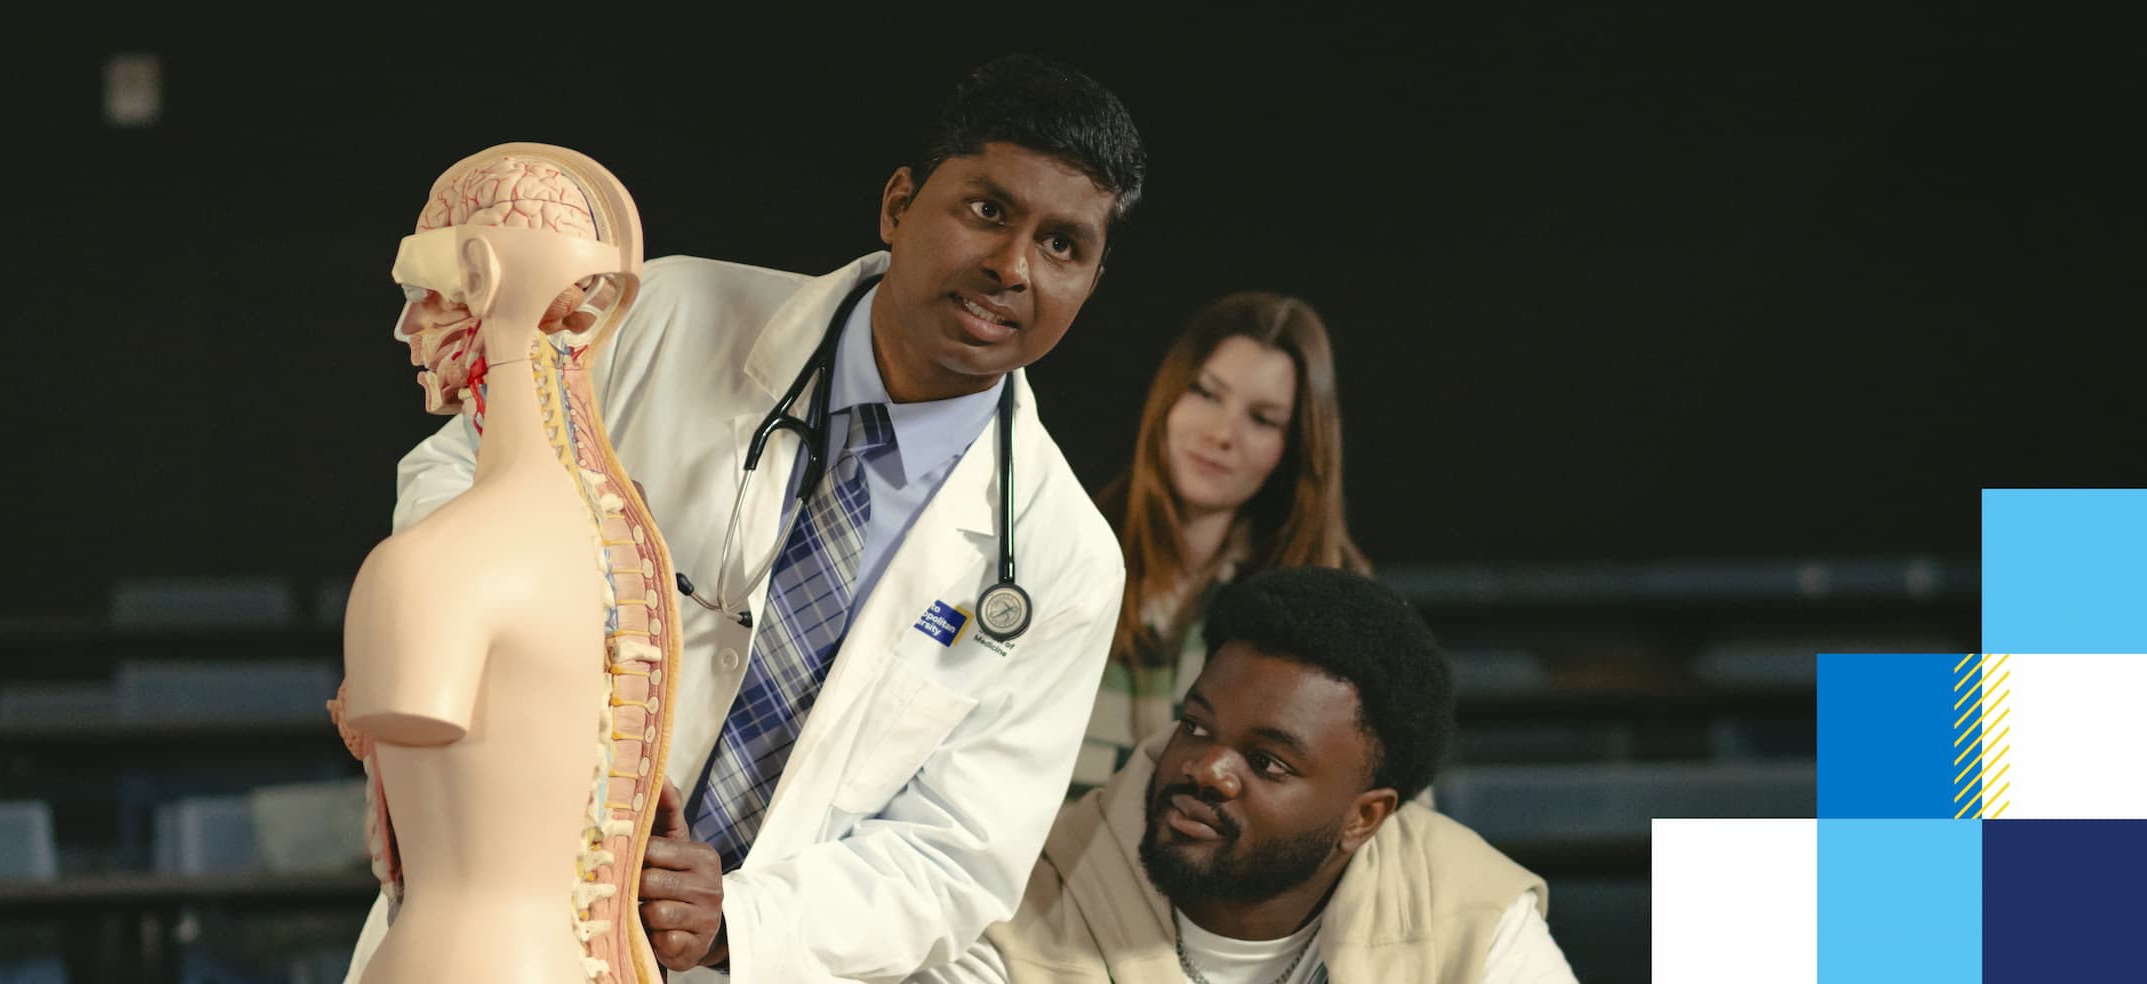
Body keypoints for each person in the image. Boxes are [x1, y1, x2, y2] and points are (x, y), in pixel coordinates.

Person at [367, 54, 1144, 981]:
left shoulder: (1063, 559)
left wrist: (736, 917)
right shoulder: (664, 314)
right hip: (506, 903)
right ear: (899, 205)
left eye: (1064, 245)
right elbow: (455, 474)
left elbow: (956, 856)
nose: (1013, 267)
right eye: (986, 210)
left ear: (1091, 280)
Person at [923, 567, 1578, 984]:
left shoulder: (1468, 908)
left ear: (1364, 817)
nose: (1206, 769)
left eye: (1267, 762)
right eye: (1198, 726)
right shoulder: (1029, 897)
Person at [1074, 294, 1368, 797]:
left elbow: (1381, 809)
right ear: (1168, 398)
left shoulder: (1336, 603)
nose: (1222, 433)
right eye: (1207, 394)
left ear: (1294, 447)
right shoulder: (1064, 549)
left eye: (1263, 419)